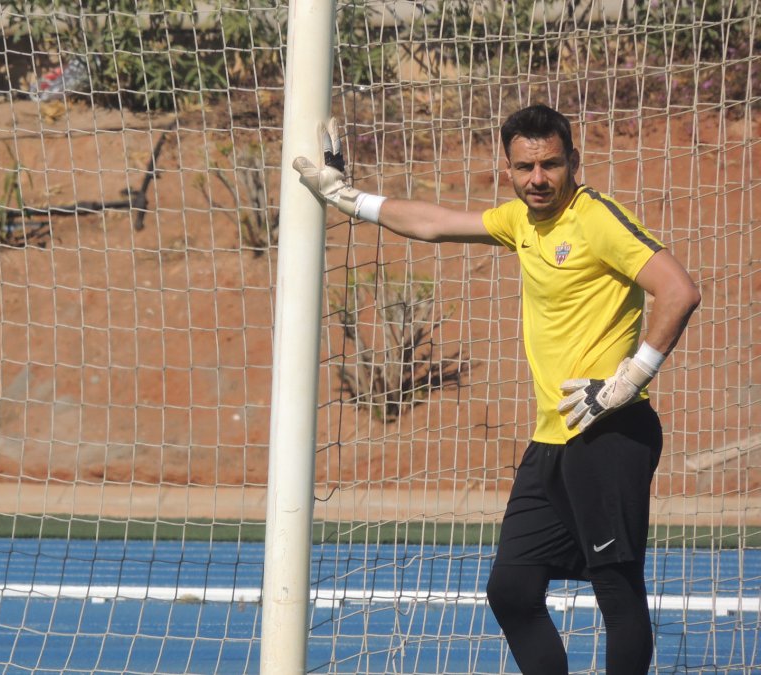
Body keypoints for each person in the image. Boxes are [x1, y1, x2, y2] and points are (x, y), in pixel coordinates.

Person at [293, 104, 701, 675]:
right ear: (508, 168)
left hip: (609, 431)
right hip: (553, 439)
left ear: (573, 162)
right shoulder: (519, 221)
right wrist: (346, 197)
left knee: (616, 588)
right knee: (511, 590)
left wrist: (627, 379)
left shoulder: (597, 218)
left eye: (550, 164)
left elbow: (679, 290)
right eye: (524, 166)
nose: (538, 178)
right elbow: (433, 224)